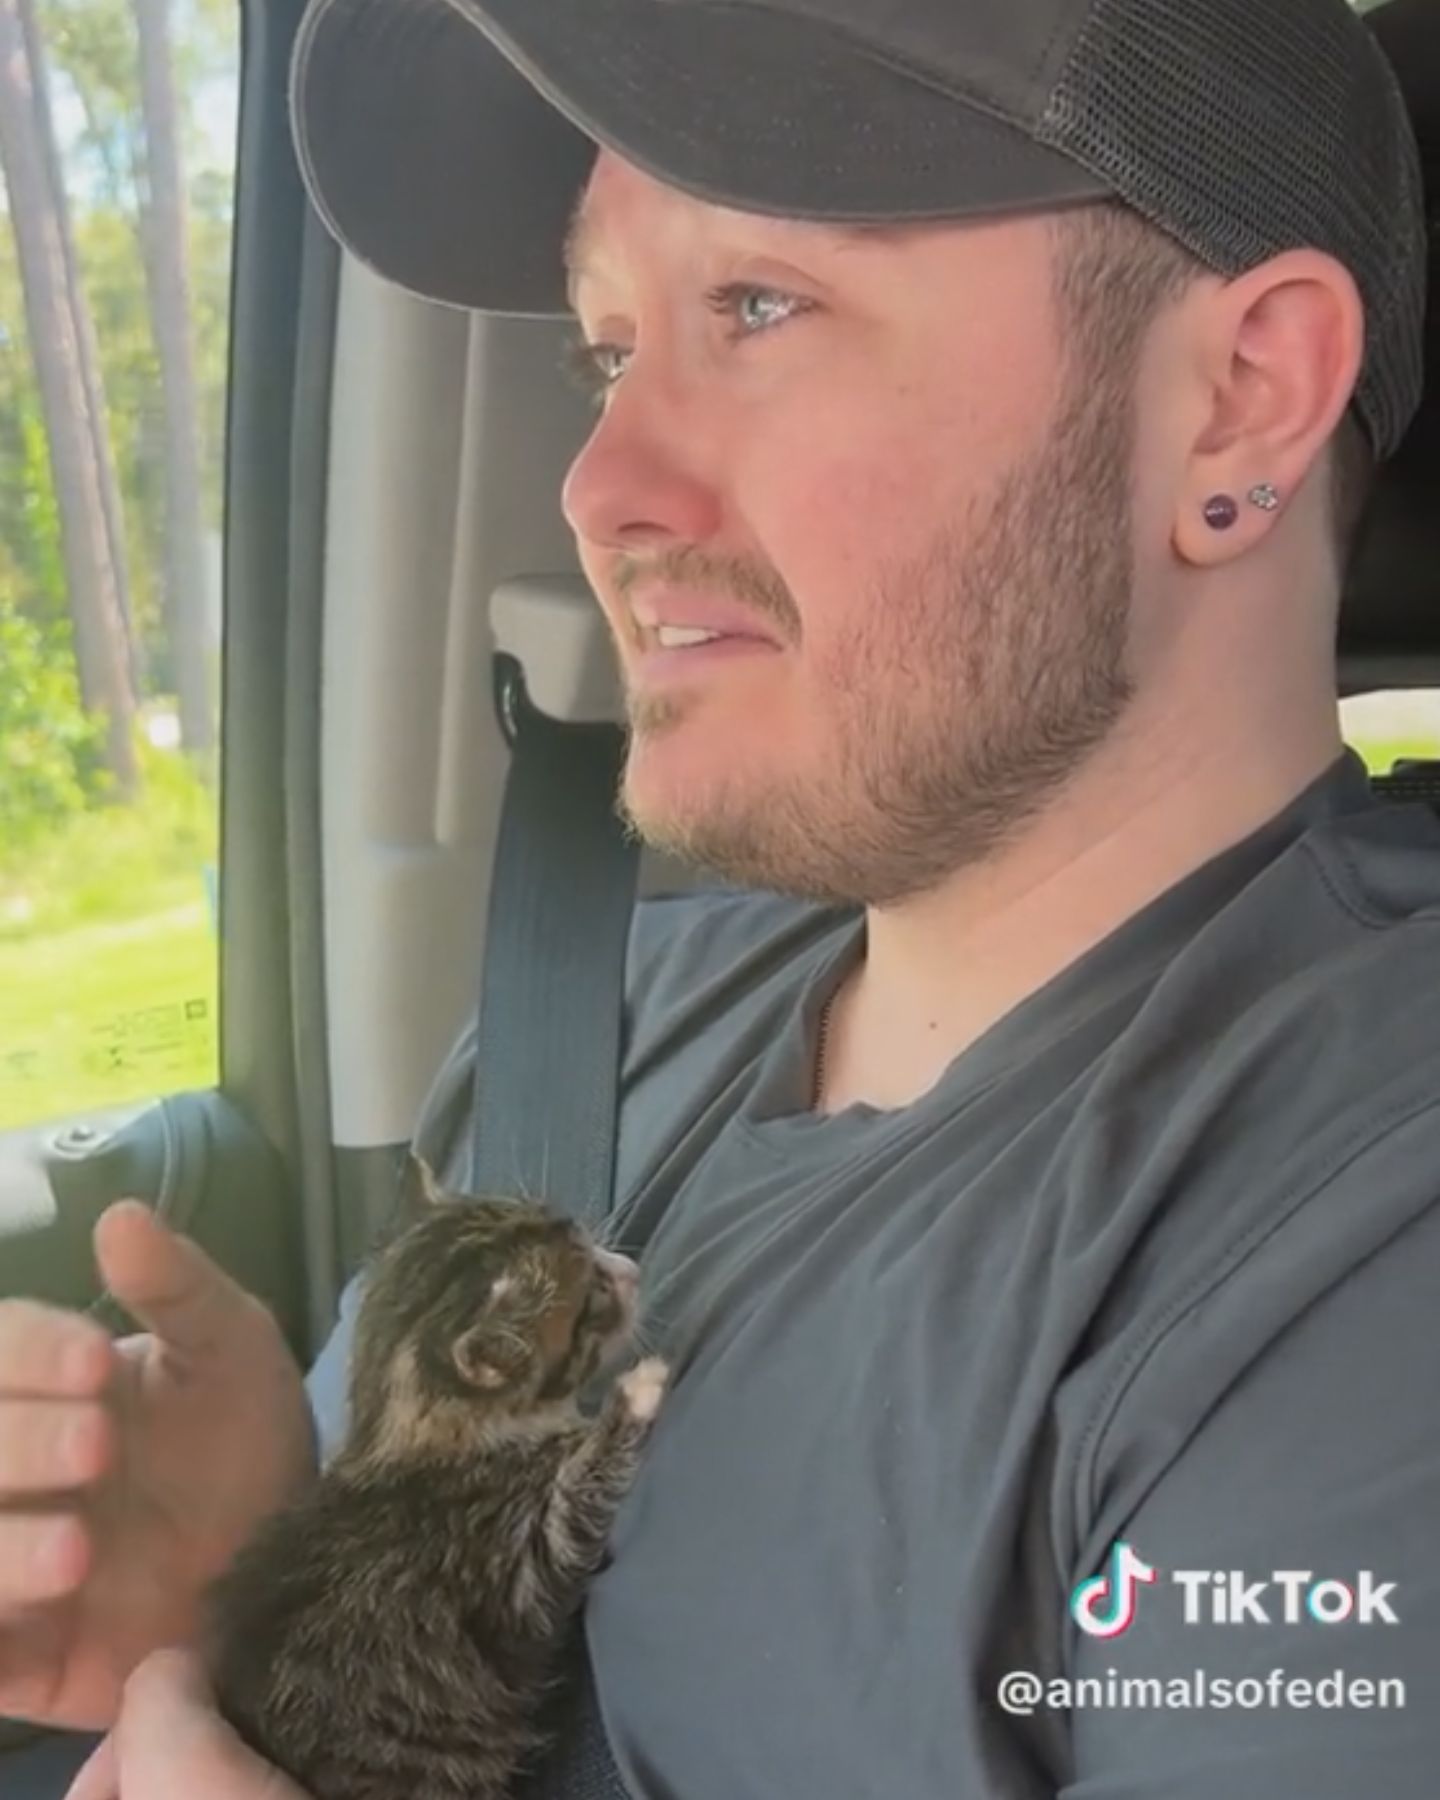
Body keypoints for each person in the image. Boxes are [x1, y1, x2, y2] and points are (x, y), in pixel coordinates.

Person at [2, 0, 1438, 1793]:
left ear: (1241, 397)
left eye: (759, 306)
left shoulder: (1362, 1248)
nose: (599, 489)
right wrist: (263, 1607)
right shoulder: (605, 1019)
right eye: (611, 349)